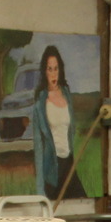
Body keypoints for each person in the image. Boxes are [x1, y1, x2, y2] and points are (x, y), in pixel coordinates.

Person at [28, 43, 77, 197]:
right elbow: (38, 146)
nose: (53, 74)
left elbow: (72, 131)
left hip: (69, 162)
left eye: (56, 68)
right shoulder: (40, 103)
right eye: (50, 69)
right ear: (44, 71)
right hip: (52, 169)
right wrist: (40, 190)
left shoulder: (67, 94)